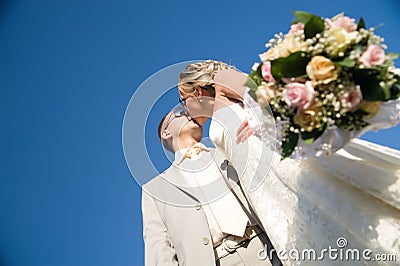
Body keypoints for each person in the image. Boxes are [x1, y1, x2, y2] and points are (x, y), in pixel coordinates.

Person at [178, 60, 400, 265]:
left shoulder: (222, 80)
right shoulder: (214, 121)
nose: (184, 109)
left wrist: (259, 120)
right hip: (262, 187)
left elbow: (263, 95)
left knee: (325, 200)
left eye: (182, 100)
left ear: (196, 91)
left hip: (275, 157)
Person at [141, 105, 278, 265]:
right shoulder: (155, 189)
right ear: (166, 133)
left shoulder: (228, 149)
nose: (188, 112)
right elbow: (158, 248)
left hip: (265, 245)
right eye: (180, 113)